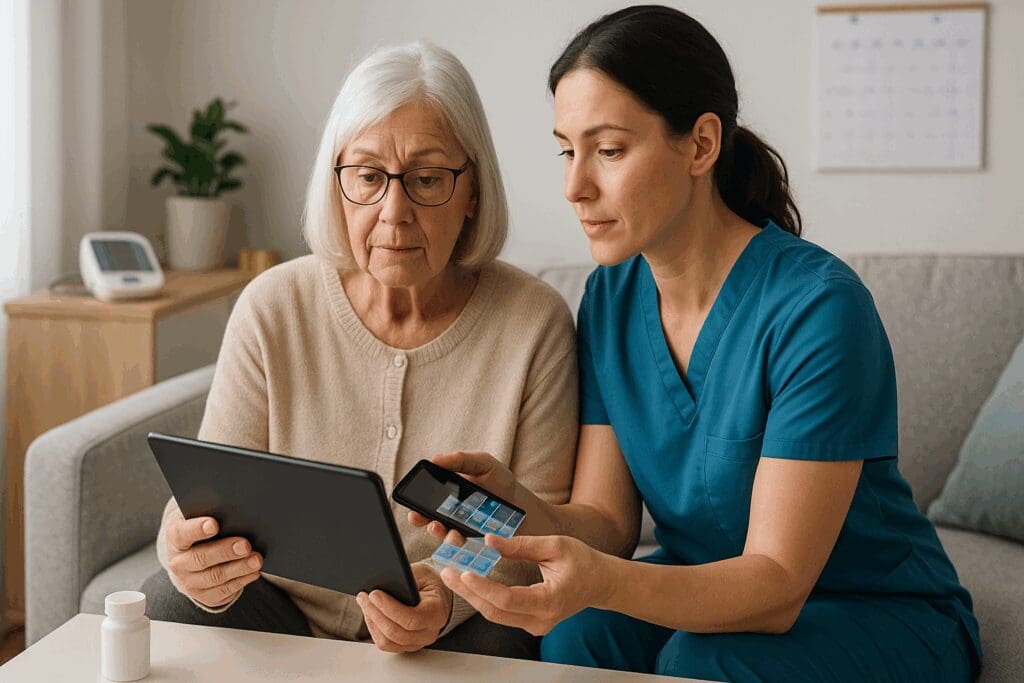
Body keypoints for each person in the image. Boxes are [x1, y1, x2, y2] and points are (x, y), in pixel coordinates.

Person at [412, 6, 981, 681]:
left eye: (609, 150)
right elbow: (605, 521)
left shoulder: (820, 309)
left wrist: (602, 580)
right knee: (578, 637)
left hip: (870, 607)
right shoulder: (610, 298)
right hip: (707, 590)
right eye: (567, 149)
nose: (575, 186)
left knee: (702, 656)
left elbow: (776, 582)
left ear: (702, 145)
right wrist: (514, 509)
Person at [141, 41, 578, 660]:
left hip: (454, 624)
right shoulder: (274, 305)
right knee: (164, 600)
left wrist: (440, 593)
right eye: (369, 177)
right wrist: (191, 554)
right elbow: (207, 497)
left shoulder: (534, 324)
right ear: (337, 184)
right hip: (281, 614)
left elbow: (534, 536)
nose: (393, 213)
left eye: (427, 180)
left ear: (473, 191)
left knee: (520, 630)